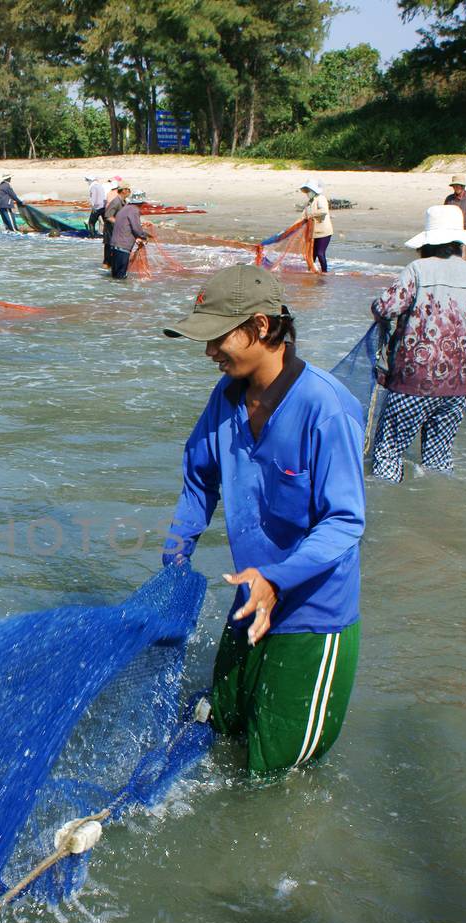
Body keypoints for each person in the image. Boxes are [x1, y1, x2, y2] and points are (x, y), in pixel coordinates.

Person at [161, 264, 366, 774]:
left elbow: (345, 522)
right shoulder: (226, 397)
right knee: (223, 724)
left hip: (312, 615)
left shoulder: (326, 408)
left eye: (216, 339)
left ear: (258, 327)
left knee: (274, 770)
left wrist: (276, 580)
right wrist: (177, 552)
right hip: (249, 597)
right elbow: (198, 478)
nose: (209, 352)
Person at [368, 205, 466, 481]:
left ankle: (388, 512)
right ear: (459, 243)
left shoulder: (418, 269)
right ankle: (436, 508)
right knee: (439, 456)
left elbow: (385, 308)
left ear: (427, 243)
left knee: (389, 451)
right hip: (457, 385)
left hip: (413, 381)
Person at [107, 185, 150, 279]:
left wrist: (139, 236)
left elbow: (128, 226)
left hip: (114, 245)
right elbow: (136, 228)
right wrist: (144, 236)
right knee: (121, 277)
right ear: (140, 202)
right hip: (123, 247)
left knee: (115, 277)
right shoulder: (134, 210)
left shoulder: (125, 208)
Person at [300, 181, 333, 272]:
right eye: (306, 191)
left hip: (324, 232)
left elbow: (323, 211)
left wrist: (311, 215)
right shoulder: (310, 202)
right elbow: (303, 215)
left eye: (308, 191)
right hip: (313, 233)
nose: (307, 193)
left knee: (320, 253)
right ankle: (311, 271)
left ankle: (324, 273)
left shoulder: (321, 199)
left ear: (313, 190)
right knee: (312, 254)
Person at [100, 177, 127, 268]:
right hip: (110, 230)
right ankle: (107, 271)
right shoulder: (116, 201)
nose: (130, 192)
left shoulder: (122, 201)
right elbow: (108, 216)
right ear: (124, 191)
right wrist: (120, 223)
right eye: (129, 190)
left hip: (115, 230)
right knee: (108, 252)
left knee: (112, 251)